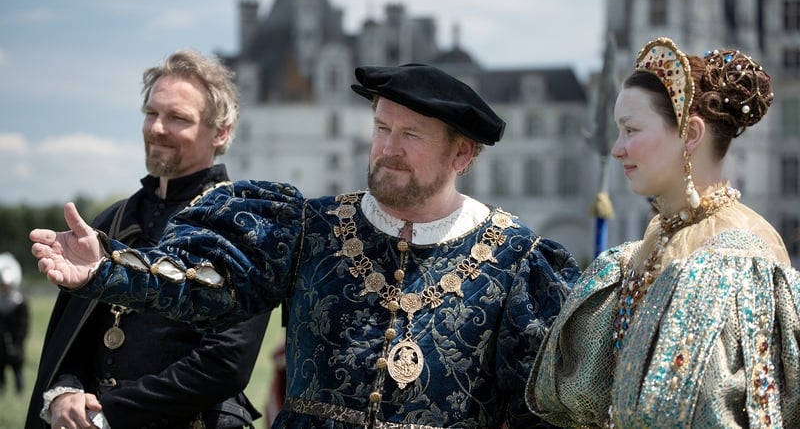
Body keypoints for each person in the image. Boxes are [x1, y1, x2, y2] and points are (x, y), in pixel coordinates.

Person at [30, 63, 580, 428]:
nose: (387, 148)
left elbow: (534, 409)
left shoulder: (517, 260)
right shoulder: (308, 228)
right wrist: (113, 271)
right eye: (382, 128)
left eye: (410, 136)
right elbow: (208, 288)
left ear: (462, 155)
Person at [526, 37, 800, 427]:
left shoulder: (744, 247)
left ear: (690, 135)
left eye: (631, 129)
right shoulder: (654, 236)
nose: (618, 149)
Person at [25, 49, 270, 429]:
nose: (157, 128)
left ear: (221, 131)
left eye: (177, 118)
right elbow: (72, 343)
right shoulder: (113, 220)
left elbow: (225, 363)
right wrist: (65, 393)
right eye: (152, 113)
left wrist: (111, 413)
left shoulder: (243, 226)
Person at [0, 252, 28, 395]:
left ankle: (19, 393)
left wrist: (17, 343)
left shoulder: (19, 302)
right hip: (1, 345)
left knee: (18, 371)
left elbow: (23, 326)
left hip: (16, 345)